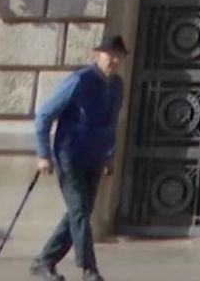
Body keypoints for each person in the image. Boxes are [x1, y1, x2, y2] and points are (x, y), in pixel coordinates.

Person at [31, 34, 128, 281]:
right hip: (69, 155)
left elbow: (111, 123)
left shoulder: (117, 86)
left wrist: (109, 155)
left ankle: (44, 261)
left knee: (79, 212)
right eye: (110, 55)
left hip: (94, 158)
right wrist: (43, 154)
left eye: (119, 56)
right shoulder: (79, 80)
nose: (114, 60)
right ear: (97, 55)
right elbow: (43, 115)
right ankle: (89, 269)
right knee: (79, 212)